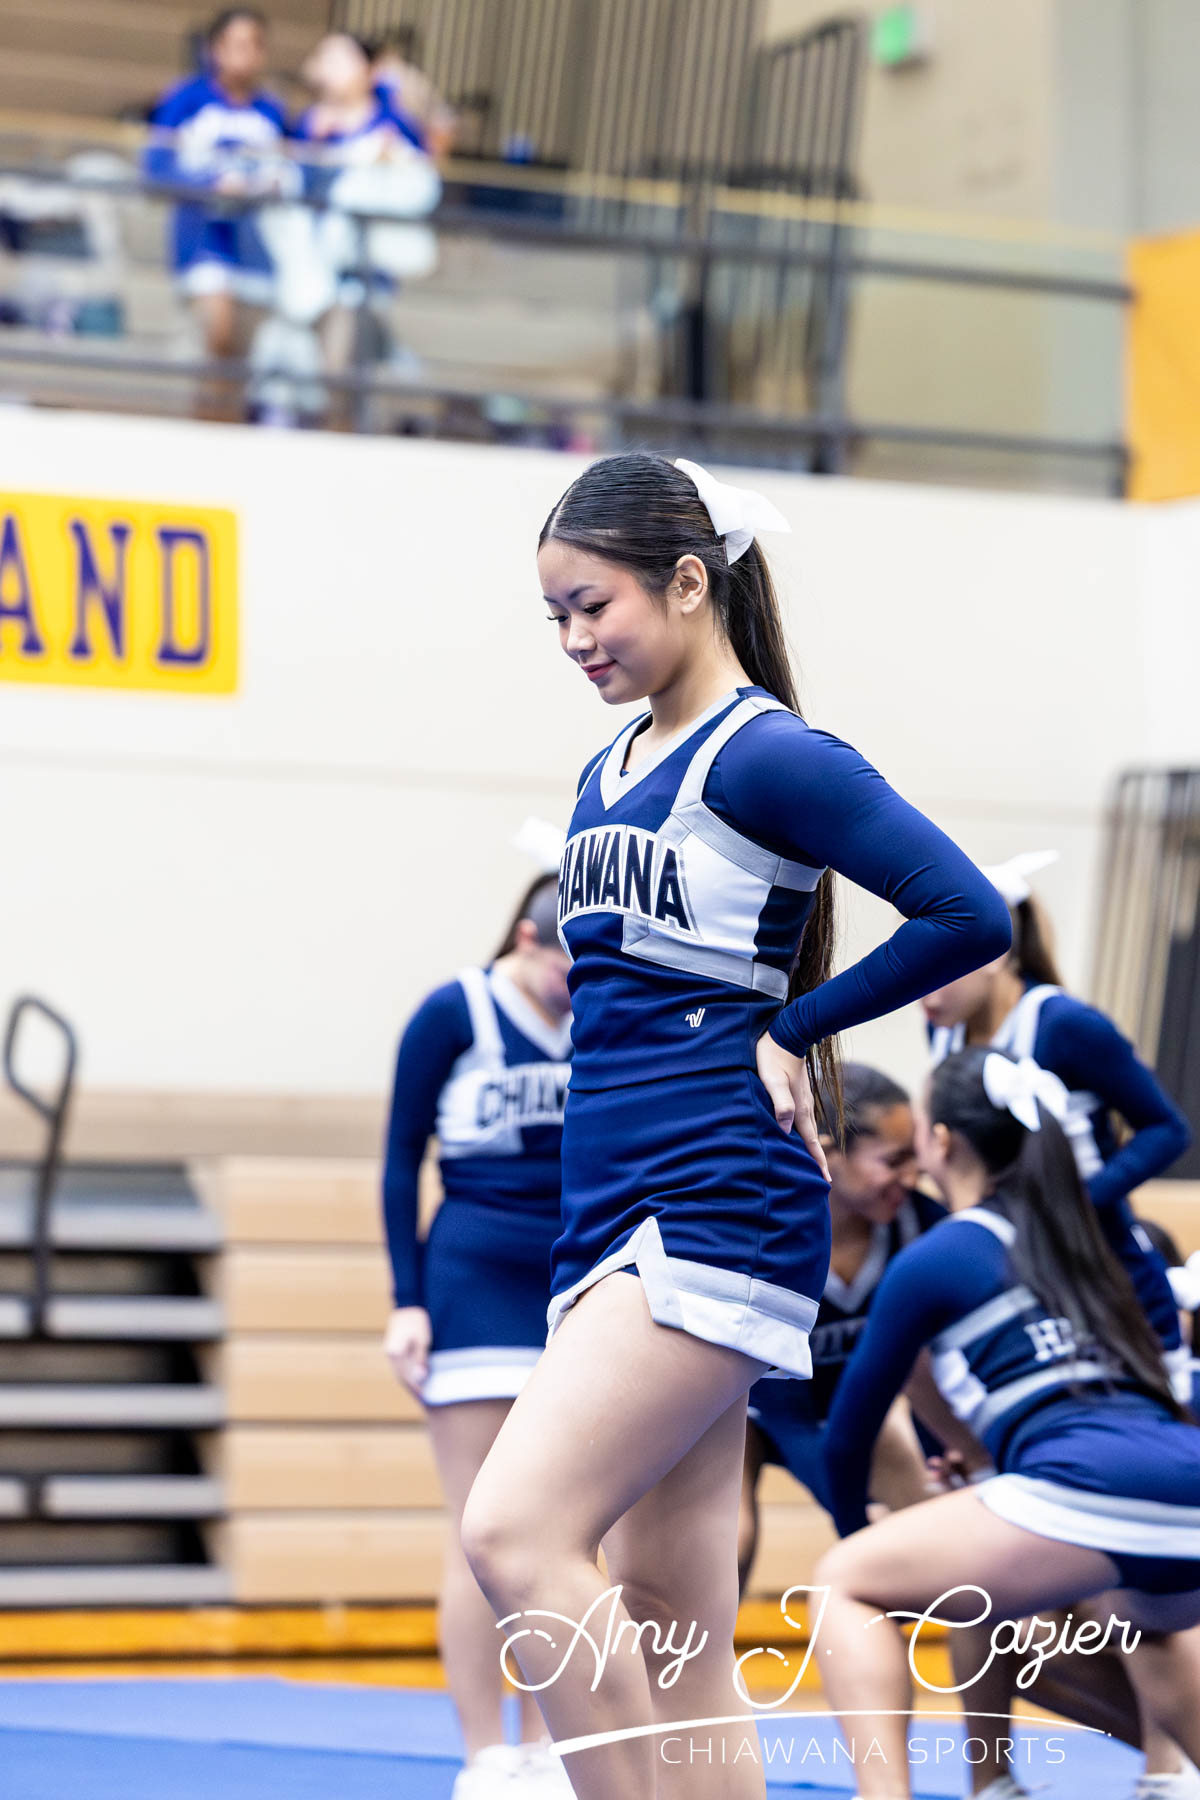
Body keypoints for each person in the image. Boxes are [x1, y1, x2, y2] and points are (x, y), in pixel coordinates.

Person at [456, 450, 1012, 1800]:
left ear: (691, 584)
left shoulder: (769, 753)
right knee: (670, 1613)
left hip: (712, 1195)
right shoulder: (606, 768)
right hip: (609, 1202)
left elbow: (967, 913)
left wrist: (796, 1025)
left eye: (595, 606)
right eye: (556, 617)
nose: (575, 640)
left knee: (515, 1531)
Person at [817, 1047, 1200, 1800]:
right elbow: (1163, 1379)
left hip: (1086, 1479)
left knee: (844, 1584)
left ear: (942, 1142)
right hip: (1183, 1478)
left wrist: (852, 1532)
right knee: (1146, 1621)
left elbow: (849, 1433)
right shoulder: (1098, 1238)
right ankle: (1093, 1778)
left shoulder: (940, 1255)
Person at [382, 872, 574, 1799]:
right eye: (571, 964)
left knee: (555, 1530)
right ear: (528, 940)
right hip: (471, 1280)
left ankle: (542, 1743)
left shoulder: (601, 1012)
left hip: (569, 1282)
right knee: (477, 1531)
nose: (583, 984)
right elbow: (399, 1156)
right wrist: (406, 1298)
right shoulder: (454, 1011)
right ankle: (481, 1754)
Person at [924, 851, 1193, 1397]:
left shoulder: (1066, 1025)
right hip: (1011, 1262)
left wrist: (1077, 1203)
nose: (923, 990)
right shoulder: (944, 1027)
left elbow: (1167, 1129)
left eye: (940, 969)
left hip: (1099, 1260)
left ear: (996, 952)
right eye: (914, 968)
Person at [739, 1063, 944, 1589]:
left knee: (929, 1532)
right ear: (829, 1152)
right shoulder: (767, 1235)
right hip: (759, 1409)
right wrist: (851, 1514)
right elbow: (790, 1416)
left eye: (915, 1158)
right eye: (893, 1161)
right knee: (728, 1536)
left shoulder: (924, 1228)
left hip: (868, 1415)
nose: (911, 1178)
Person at [144, 8, 290, 420]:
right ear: (215, 49)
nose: (245, 54)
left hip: (256, 250)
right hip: (203, 243)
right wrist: (211, 185)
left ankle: (224, 434)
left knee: (240, 362)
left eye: (254, 45)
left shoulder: (272, 110)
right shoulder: (186, 100)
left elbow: (296, 167)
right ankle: (206, 432)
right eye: (235, 44)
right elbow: (156, 168)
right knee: (217, 339)